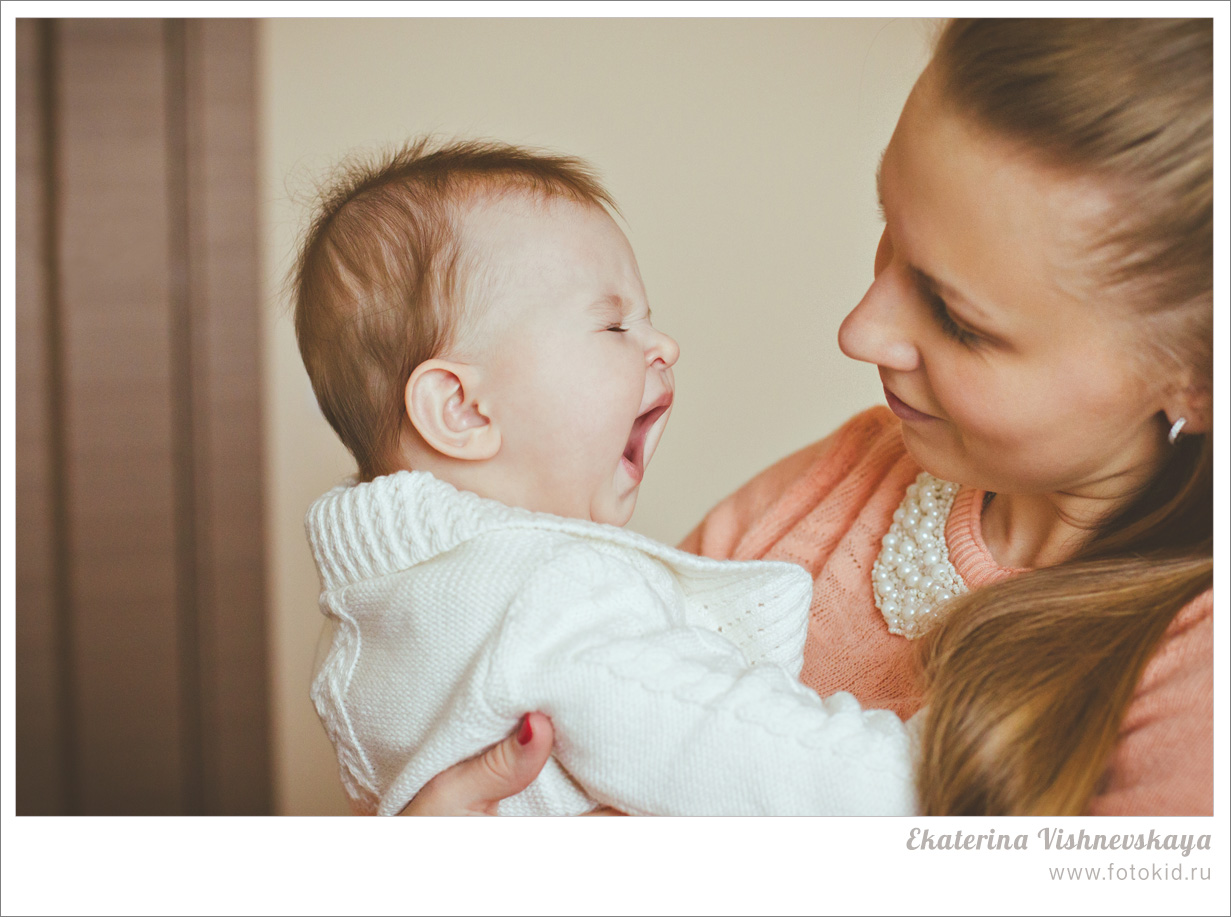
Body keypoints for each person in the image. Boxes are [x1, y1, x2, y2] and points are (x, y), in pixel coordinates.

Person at [405, 18, 1213, 817]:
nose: (857, 330)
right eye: (887, 232)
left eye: (955, 317)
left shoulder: (1195, 686)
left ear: (1198, 381)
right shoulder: (843, 481)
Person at [294, 140, 919, 816]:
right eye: (614, 323)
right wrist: (940, 774)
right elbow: (748, 748)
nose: (664, 346)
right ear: (463, 409)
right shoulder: (553, 599)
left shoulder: (375, 626)